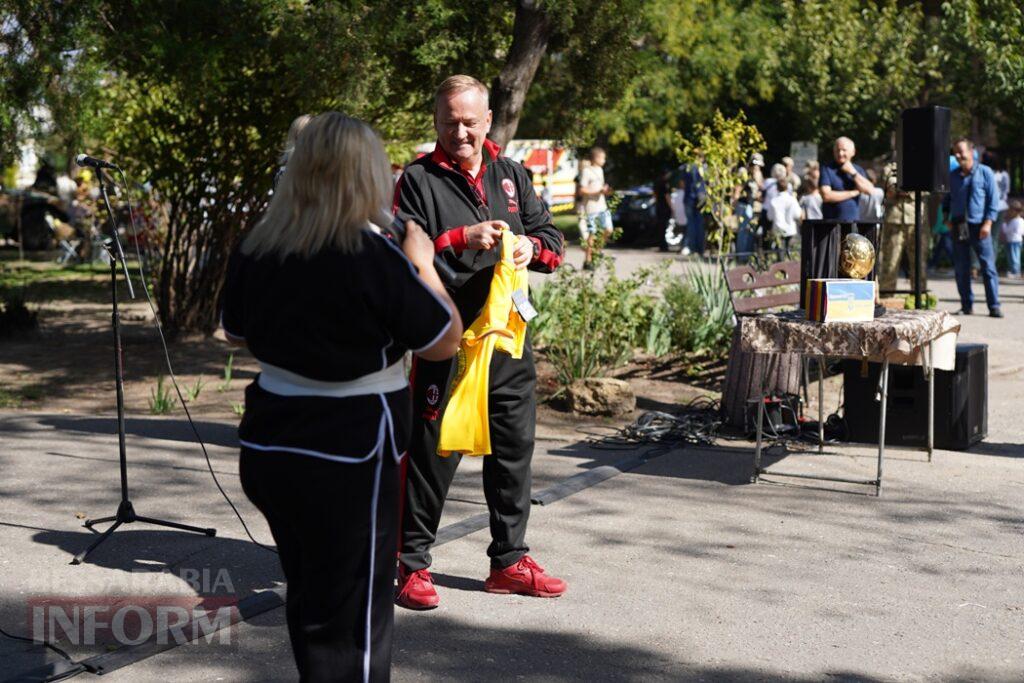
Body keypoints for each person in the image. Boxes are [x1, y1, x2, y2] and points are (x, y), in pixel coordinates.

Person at [221, 112, 463, 681]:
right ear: (363, 174)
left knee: (309, 602)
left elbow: (235, 333)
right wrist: (424, 265)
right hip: (349, 453)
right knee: (353, 626)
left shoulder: (259, 245)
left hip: (272, 445)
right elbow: (443, 339)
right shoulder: (373, 256)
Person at [393, 75, 567, 611]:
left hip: (508, 339)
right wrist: (459, 240)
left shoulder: (512, 175)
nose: (460, 132)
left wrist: (529, 249)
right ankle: (409, 565)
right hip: (444, 340)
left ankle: (509, 561)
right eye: (450, 123)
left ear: (488, 120)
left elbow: (554, 242)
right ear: (436, 123)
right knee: (432, 452)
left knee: (514, 450)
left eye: (470, 122)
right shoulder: (417, 179)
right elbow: (401, 255)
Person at [944, 138, 1002, 317]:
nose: (958, 155)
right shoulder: (952, 176)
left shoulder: (985, 172)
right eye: (956, 152)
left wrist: (988, 222)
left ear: (971, 152)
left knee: (987, 267)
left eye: (961, 151)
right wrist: (946, 217)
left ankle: (994, 306)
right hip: (959, 226)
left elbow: (993, 199)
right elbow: (946, 199)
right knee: (961, 268)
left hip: (980, 226)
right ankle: (966, 305)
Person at [878, 160, 924, 294]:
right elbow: (884, 188)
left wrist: (910, 191)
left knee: (918, 264)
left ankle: (920, 299)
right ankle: (887, 298)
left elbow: (930, 189)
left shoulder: (922, 165)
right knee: (890, 263)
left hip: (916, 219)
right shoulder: (890, 168)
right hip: (894, 220)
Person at [820, 137, 874, 222]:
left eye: (844, 150)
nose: (840, 153)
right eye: (837, 150)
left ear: (853, 152)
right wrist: (854, 192)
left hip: (853, 222)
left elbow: (870, 190)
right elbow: (826, 196)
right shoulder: (827, 169)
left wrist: (853, 173)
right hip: (831, 224)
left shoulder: (857, 170)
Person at [578, 147, 613, 269]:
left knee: (608, 230)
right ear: (596, 158)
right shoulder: (586, 171)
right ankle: (588, 260)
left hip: (602, 206)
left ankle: (596, 253)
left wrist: (605, 191)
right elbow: (581, 190)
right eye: (603, 157)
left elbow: (599, 188)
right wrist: (597, 191)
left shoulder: (600, 170)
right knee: (592, 234)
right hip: (591, 208)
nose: (604, 160)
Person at [680, 156, 707, 256]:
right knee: (699, 224)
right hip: (701, 199)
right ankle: (700, 249)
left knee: (691, 224)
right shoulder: (704, 168)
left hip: (689, 198)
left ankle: (693, 248)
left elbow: (682, 184)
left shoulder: (687, 167)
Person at [770, 178, 800, 256]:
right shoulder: (792, 200)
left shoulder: (774, 201)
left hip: (778, 230)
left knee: (780, 256)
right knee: (791, 255)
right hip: (790, 230)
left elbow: (769, 217)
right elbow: (797, 214)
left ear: (777, 188)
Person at [1001, 199, 1023, 278]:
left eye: (1010, 211)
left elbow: (1006, 231)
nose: (1009, 213)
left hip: (1012, 241)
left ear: (1015, 211)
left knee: (1013, 257)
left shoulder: (1014, 221)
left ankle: (1015, 271)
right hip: (1018, 240)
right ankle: (1015, 271)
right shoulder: (1021, 220)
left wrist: (1003, 224)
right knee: (1015, 256)